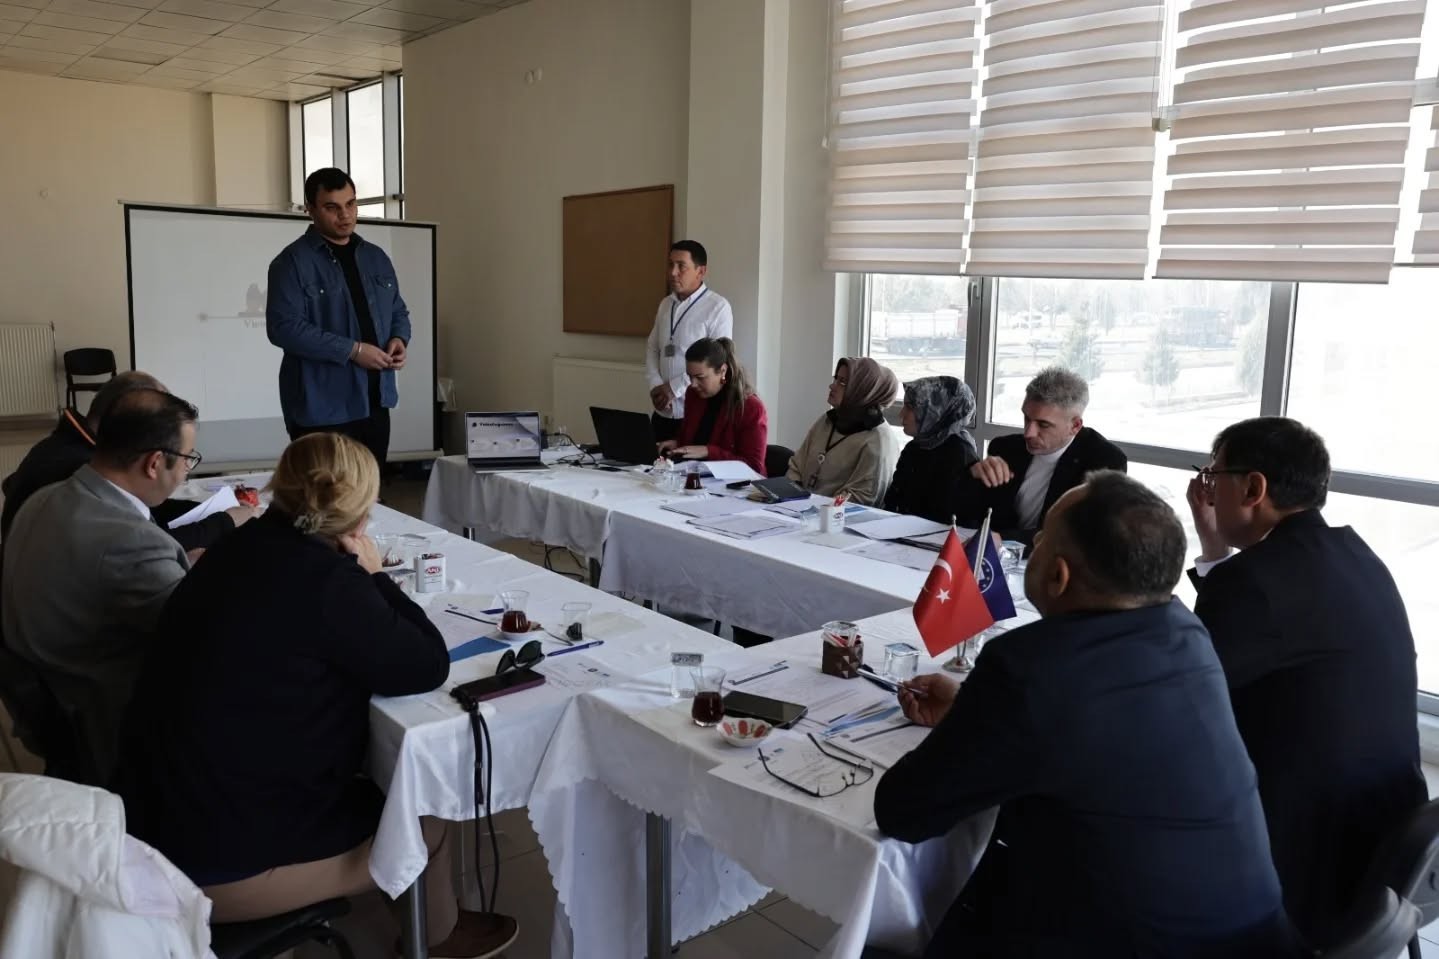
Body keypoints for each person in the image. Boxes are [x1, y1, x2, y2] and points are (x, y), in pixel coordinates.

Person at [115, 433, 519, 958]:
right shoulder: (328, 581)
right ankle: (438, 939)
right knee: (425, 807)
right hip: (209, 864)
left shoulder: (236, 546)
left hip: (148, 815)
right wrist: (376, 576)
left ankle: (406, 909)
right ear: (360, 519)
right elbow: (426, 664)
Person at [875, 472, 1298, 958]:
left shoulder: (1029, 668)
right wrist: (973, 713)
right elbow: (1102, 731)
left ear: (1058, 576)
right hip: (1249, 938)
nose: (1034, 543)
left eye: (1041, 538)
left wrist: (979, 718)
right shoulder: (1185, 632)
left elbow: (903, 811)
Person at [1186, 417, 1424, 945]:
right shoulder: (1356, 555)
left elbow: (1186, 690)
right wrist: (1216, 546)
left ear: (1253, 488)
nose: (1206, 491)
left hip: (1309, 858)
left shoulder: (1256, 581)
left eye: (1213, 476)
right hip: (1386, 836)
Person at [1, 389, 199, 783]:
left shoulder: (44, 498)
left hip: (52, 699)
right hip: (108, 718)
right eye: (188, 459)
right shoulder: (133, 542)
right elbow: (200, 639)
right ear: (154, 463)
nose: (186, 472)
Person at [0, 371, 254, 547]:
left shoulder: (68, 445)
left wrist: (210, 510)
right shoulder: (76, 469)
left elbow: (142, 512)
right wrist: (223, 522)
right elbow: (143, 543)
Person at [266, 167, 410, 471]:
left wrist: (399, 338)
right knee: (323, 495)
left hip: (375, 401)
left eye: (351, 204)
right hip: (321, 407)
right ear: (310, 209)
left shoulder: (376, 257)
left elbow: (397, 309)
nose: (345, 215)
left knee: (369, 492)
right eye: (332, 207)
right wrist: (353, 351)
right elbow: (284, 328)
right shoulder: (291, 263)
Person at [956, 366, 1126, 544]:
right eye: (1026, 418)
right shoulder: (1006, 448)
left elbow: (1079, 533)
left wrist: (1004, 539)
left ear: (1075, 426)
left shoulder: (1105, 461)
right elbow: (964, 511)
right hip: (991, 555)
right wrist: (973, 476)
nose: (1028, 433)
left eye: (1043, 425)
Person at [645, 240, 733, 443]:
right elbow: (652, 348)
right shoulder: (666, 304)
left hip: (696, 414)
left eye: (681, 266)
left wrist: (673, 388)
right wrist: (656, 385)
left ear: (701, 271)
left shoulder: (717, 307)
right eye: (670, 264)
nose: (673, 272)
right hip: (663, 411)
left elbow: (717, 360)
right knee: (653, 461)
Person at [784, 358, 900, 505]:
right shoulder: (828, 420)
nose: (832, 386)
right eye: (836, 379)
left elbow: (861, 497)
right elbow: (796, 466)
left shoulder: (879, 440)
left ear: (863, 391)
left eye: (843, 383)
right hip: (797, 509)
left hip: (835, 515)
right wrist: (794, 496)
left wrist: (817, 508)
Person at [657, 337, 767, 477]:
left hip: (737, 485)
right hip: (696, 477)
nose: (693, 384)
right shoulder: (693, 395)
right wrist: (677, 445)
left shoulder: (751, 407)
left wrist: (708, 451)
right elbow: (692, 441)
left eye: (700, 377)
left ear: (722, 371)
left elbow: (754, 467)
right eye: (690, 377)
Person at [882, 376, 981, 523]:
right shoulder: (915, 447)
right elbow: (892, 501)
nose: (901, 414)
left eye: (910, 407)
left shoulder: (959, 454)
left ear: (935, 411)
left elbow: (949, 517)